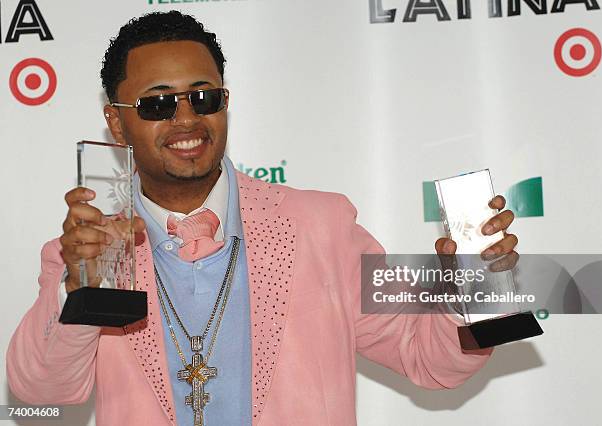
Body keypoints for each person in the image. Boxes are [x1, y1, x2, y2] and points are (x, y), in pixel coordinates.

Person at [6, 11, 518, 426]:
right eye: (158, 103)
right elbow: (41, 392)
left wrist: (476, 292)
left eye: (204, 96)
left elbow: (427, 360)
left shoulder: (323, 228)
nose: (186, 118)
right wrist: (82, 285)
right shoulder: (86, 253)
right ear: (117, 122)